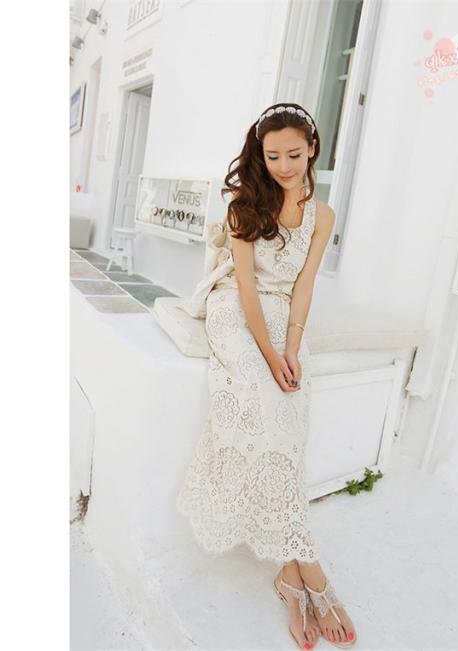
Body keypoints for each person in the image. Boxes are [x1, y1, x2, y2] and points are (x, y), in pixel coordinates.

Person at [176, 103, 358, 649]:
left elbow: (305, 284)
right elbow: (246, 288)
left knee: (289, 421)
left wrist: (292, 348)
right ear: (260, 154)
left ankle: (288, 574)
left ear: (313, 150)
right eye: (272, 156)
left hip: (284, 315)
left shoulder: (322, 215)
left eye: (294, 155)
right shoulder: (245, 205)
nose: (283, 166)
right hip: (237, 310)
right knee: (264, 396)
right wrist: (269, 353)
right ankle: (309, 568)